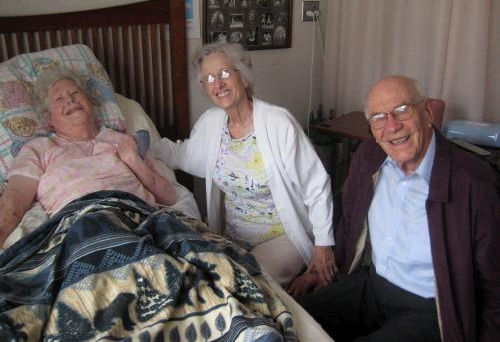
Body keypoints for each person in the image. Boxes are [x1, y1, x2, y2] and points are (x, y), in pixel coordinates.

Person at [296, 75, 500, 341]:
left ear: (427, 113)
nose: (391, 126)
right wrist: (324, 272)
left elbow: (495, 285)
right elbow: (348, 222)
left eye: (402, 110)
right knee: (292, 317)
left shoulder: (474, 183)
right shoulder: (369, 158)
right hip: (371, 287)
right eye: (379, 117)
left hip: (432, 310)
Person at [153, 42, 336, 287]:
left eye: (224, 73)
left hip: (282, 237)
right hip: (232, 237)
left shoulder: (278, 123)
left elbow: (316, 184)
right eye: (208, 78)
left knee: (245, 284)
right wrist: (145, 145)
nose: (217, 84)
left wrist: (323, 246)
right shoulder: (211, 123)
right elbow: (185, 154)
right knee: (205, 280)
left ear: (245, 78)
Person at [0, 67, 177, 247]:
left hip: (142, 220)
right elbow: (14, 201)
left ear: (90, 102)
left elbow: (169, 197)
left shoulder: (125, 141)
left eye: (75, 93)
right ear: (49, 119)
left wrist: (132, 160)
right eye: (59, 99)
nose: (69, 99)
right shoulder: (39, 149)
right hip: (79, 228)